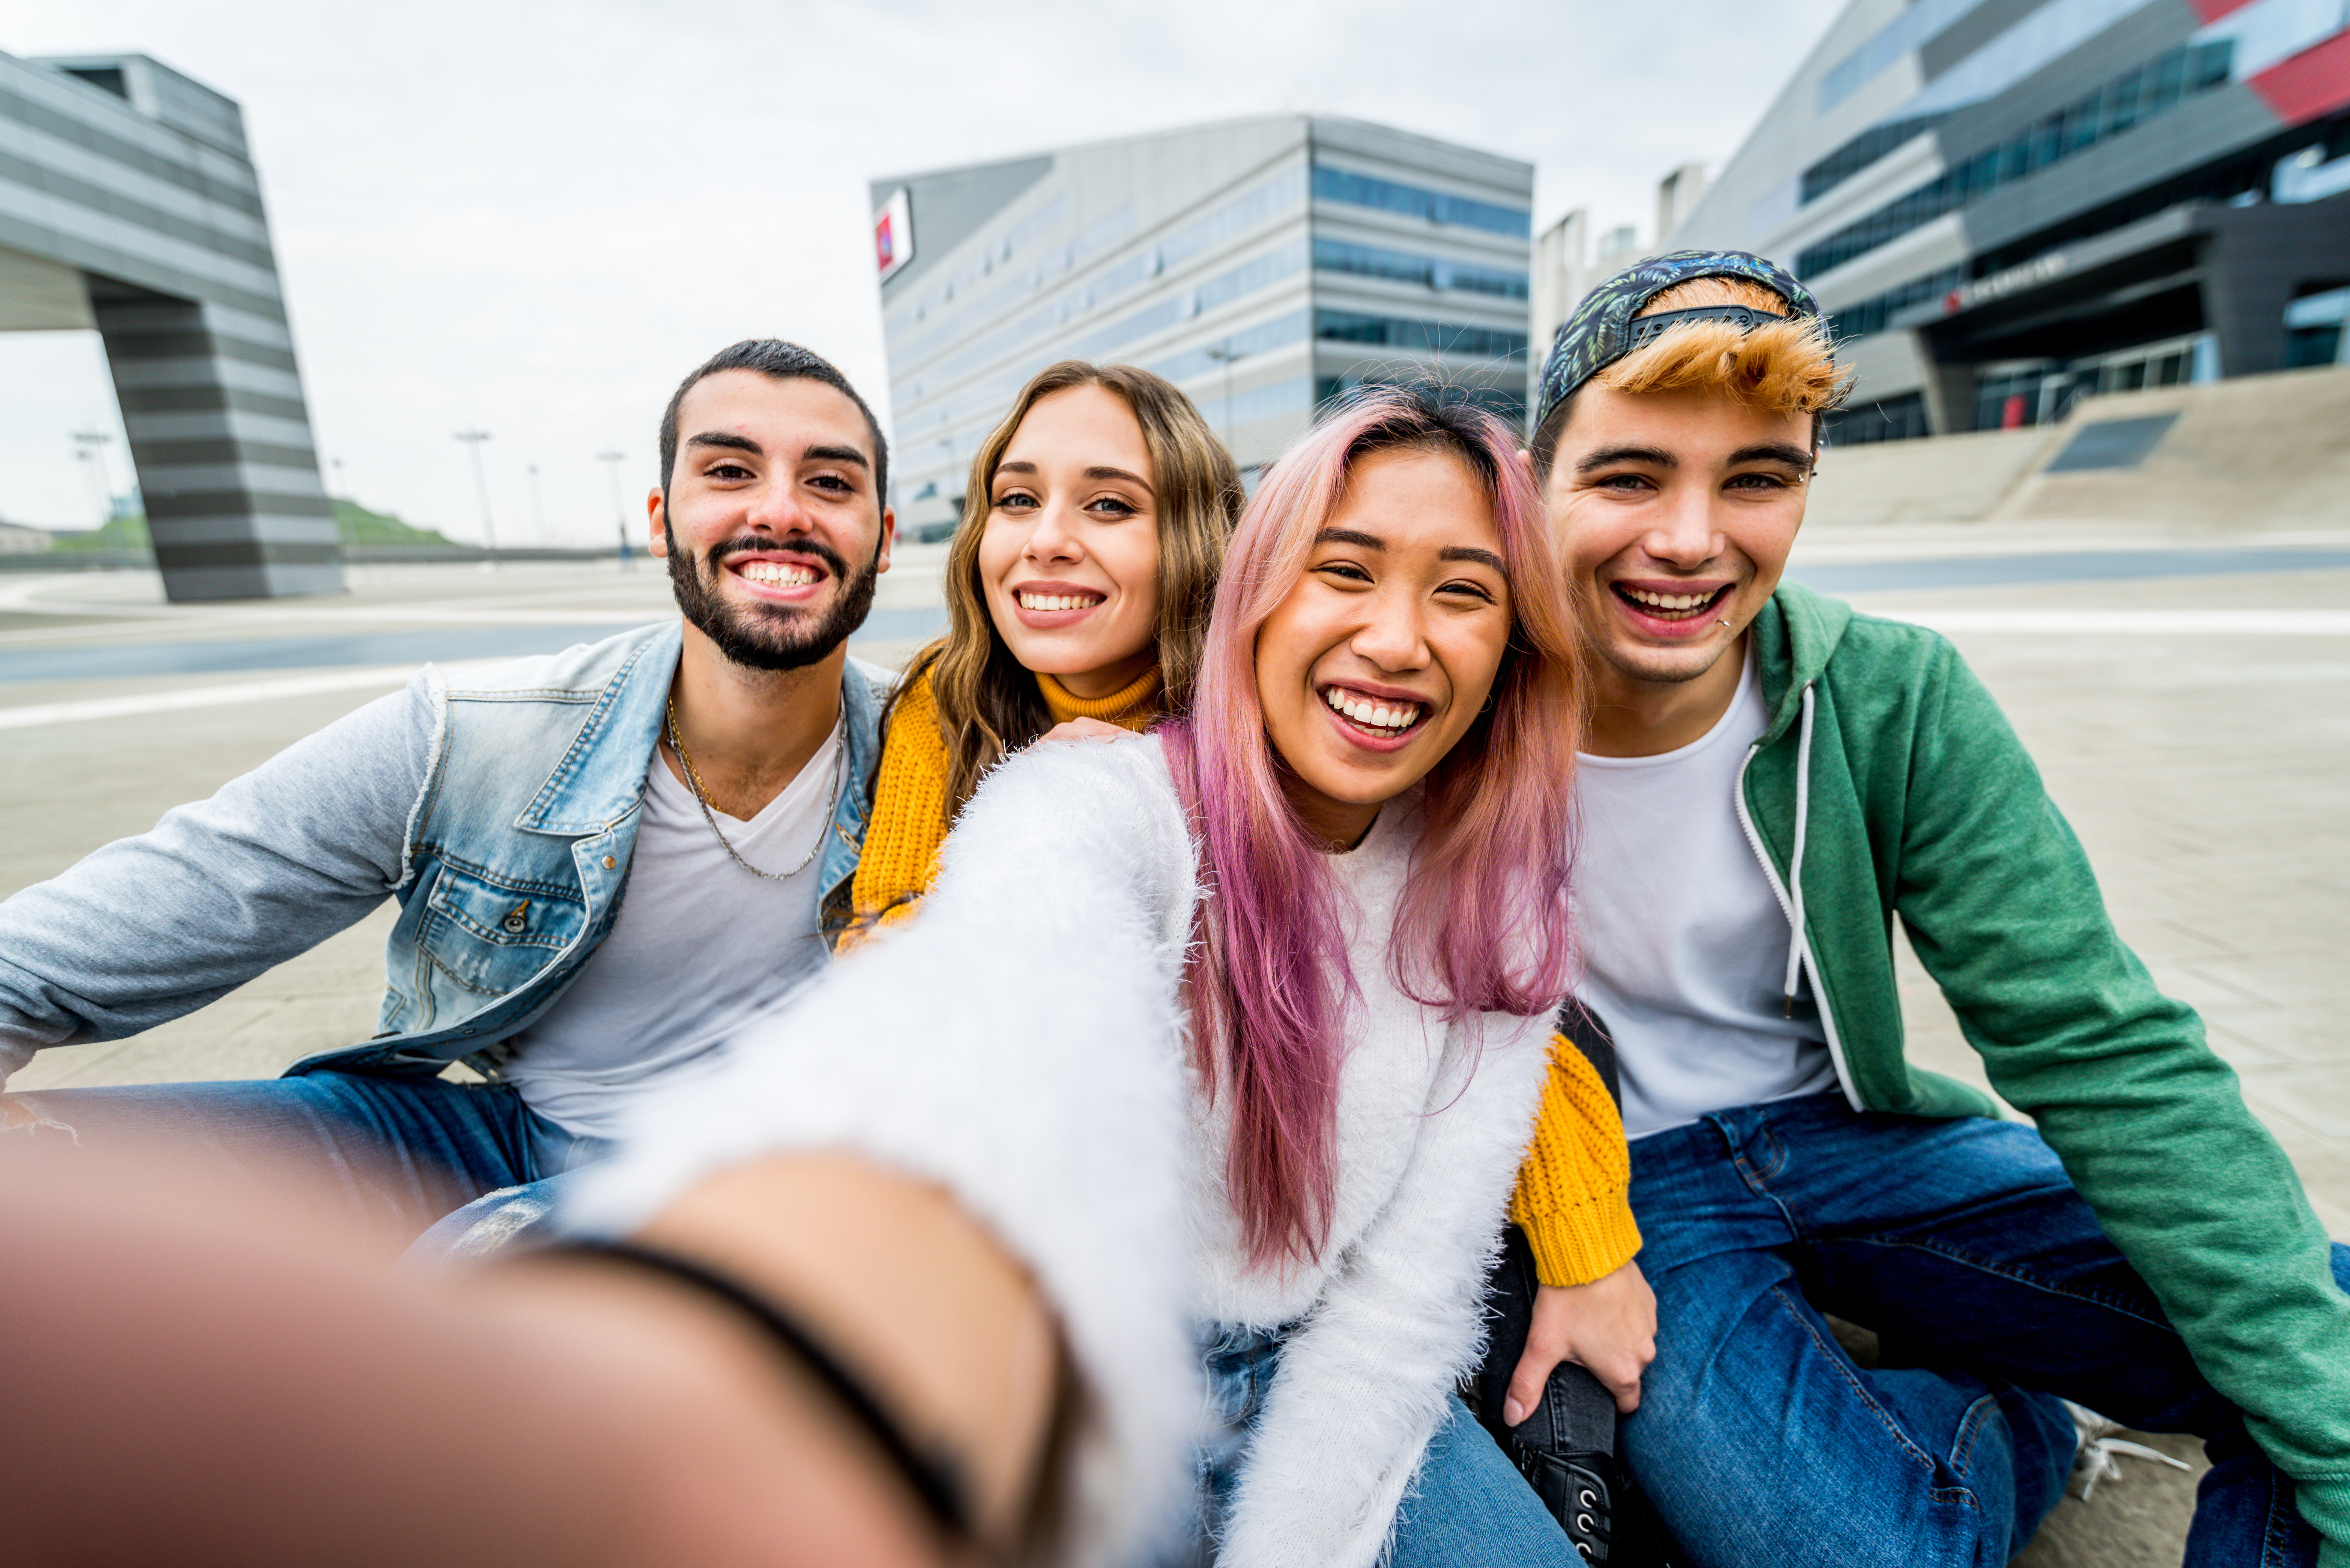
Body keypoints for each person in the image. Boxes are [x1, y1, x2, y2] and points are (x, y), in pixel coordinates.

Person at [591, 382, 1627, 1567]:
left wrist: (1594, 1241)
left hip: (1317, 1365)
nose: (1396, 636)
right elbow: (1004, 981)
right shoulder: (1075, 785)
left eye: (1463, 591)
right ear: (1258, 591)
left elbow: (1401, 1305)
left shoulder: (1492, 893)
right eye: (1346, 569)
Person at [1497, 250, 2350, 1565]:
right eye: (1629, 475)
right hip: (1632, 1191)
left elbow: (2103, 1044)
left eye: (1759, 479)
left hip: (1854, 1134)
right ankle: (2011, 1416)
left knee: (2319, 1341)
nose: (1689, 537)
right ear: (1536, 478)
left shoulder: (1890, 694)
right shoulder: (1448, 688)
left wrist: (2332, 1440)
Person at [0, 339, 897, 1255]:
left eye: (829, 482)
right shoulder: (474, 738)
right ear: (664, 518)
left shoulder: (945, 754)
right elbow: (136, 913)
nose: (780, 510)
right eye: (729, 470)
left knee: (476, 1263)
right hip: (491, 1143)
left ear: (885, 535)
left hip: (783, 1178)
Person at [848, 360, 1239, 941]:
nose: (1046, 540)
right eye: (1018, 499)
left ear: (1194, 540)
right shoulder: (946, 694)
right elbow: (871, 950)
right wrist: (1029, 801)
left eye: (1109, 504)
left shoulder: (1255, 715)